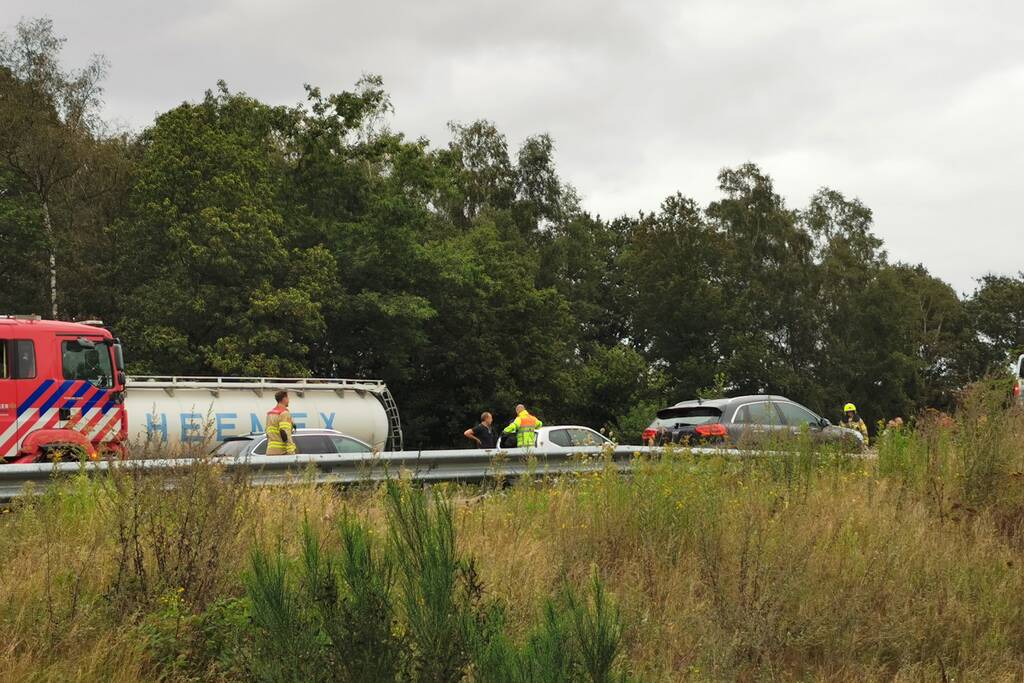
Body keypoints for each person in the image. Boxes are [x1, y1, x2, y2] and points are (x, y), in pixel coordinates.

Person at [266, 390, 296, 455]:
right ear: (284, 399)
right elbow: (285, 433)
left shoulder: (270, 414)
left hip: (270, 452)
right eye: (288, 398)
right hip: (282, 452)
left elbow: (267, 434)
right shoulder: (284, 413)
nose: (289, 401)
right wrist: (291, 452)